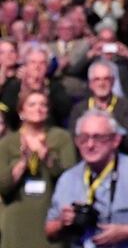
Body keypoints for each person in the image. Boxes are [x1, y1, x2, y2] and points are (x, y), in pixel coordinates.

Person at [45, 109, 128, 248]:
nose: (90, 145)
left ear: (115, 140)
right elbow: (49, 232)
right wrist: (62, 223)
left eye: (98, 138)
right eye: (83, 138)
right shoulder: (68, 179)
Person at [0, 91, 76, 248]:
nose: (38, 108)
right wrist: (23, 161)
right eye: (32, 104)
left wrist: (46, 156)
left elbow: (71, 178)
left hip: (49, 216)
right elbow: (3, 186)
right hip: (17, 217)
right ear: (21, 111)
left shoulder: (61, 137)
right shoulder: (7, 143)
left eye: (43, 104)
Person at [67, 60, 128, 152]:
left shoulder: (126, 106)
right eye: (97, 79)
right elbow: (74, 138)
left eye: (106, 79)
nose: (101, 83)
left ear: (112, 82)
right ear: (90, 84)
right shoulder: (79, 109)